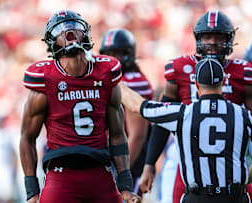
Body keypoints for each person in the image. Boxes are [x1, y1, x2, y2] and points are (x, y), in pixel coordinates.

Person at [20, 10, 141, 203]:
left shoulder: (105, 74)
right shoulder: (45, 81)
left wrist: (125, 186)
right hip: (62, 175)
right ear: (53, 41)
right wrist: (32, 190)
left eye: (75, 28)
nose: (70, 34)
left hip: (100, 172)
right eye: (62, 31)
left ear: (86, 33)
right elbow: (27, 137)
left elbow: (118, 134)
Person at [138, 10, 252, 203]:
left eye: (219, 37)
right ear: (198, 38)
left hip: (228, 153)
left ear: (229, 39)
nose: (213, 43)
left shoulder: (243, 72)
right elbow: (163, 121)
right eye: (208, 37)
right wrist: (149, 163)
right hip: (185, 153)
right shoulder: (179, 68)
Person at [122, 58, 251, 203]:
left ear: (196, 85)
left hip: (197, 197)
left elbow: (136, 105)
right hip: (234, 197)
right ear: (222, 83)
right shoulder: (243, 115)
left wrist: (115, 80)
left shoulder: (182, 114)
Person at [99, 28, 153, 195]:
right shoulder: (114, 78)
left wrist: (121, 173)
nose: (112, 59)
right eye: (108, 53)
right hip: (113, 154)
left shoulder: (133, 81)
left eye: (117, 53)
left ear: (128, 54)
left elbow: (137, 136)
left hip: (130, 157)